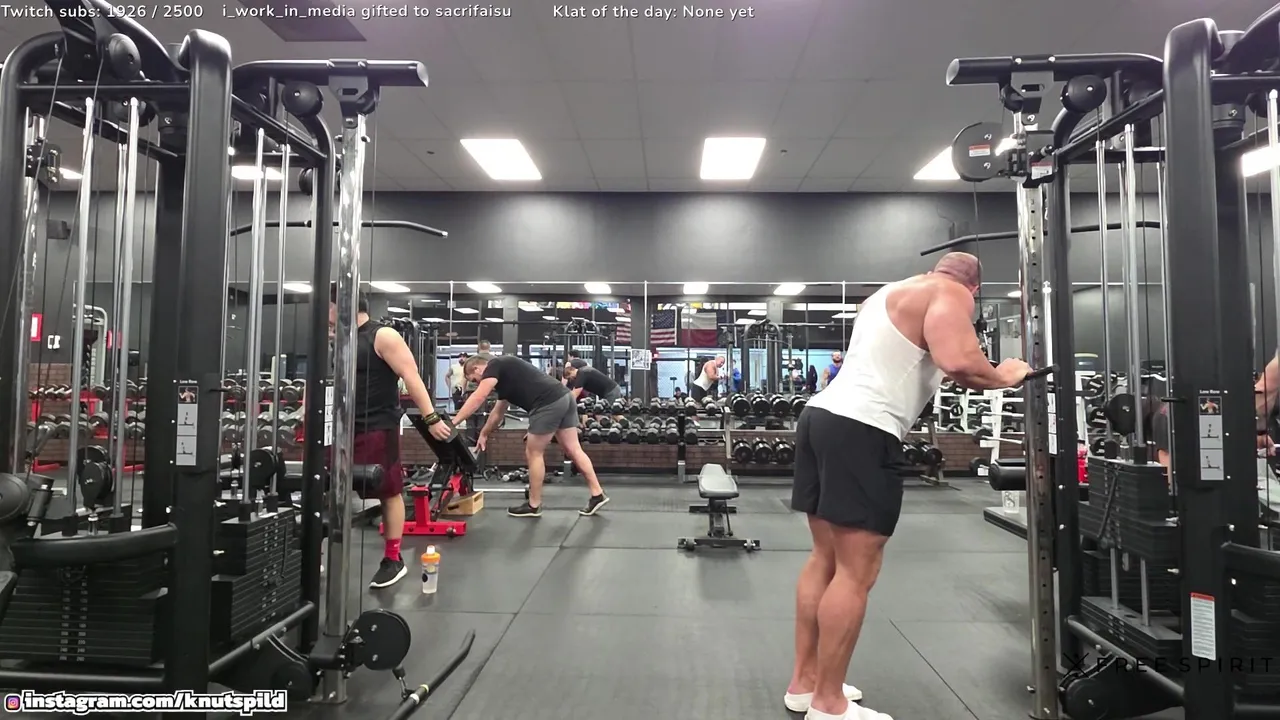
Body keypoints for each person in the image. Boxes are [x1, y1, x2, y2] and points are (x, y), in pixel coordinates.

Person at [785, 253, 1031, 720]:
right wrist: (1006, 375)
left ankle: (806, 683)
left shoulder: (887, 293)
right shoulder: (951, 292)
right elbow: (959, 362)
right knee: (855, 573)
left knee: (824, 559)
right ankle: (829, 705)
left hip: (819, 416)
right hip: (864, 427)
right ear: (975, 289)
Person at [328, 285, 437, 589]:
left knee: (388, 491)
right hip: (340, 428)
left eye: (327, 306)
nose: (324, 314)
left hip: (377, 425)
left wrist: (430, 418)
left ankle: (393, 558)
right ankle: (319, 553)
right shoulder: (340, 340)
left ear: (344, 304)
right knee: (327, 487)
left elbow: (411, 375)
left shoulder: (383, 336)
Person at [437, 354, 609, 518]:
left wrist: (454, 422)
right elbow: (497, 413)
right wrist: (484, 433)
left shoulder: (494, 365)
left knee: (534, 453)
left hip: (548, 403)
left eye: (475, 380)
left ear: (477, 369)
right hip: (564, 397)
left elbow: (478, 396)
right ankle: (597, 494)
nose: (477, 383)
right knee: (574, 450)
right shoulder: (505, 377)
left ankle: (533, 505)